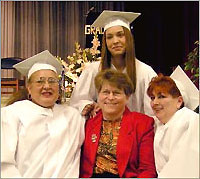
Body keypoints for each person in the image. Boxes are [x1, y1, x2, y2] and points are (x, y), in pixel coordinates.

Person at [1, 50, 85, 178]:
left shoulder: (72, 116)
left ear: (58, 87)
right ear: (29, 88)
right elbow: (4, 163)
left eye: (52, 81)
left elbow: (76, 158)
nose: (47, 86)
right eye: (40, 81)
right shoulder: (12, 114)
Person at [70, 10, 157, 117]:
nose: (115, 41)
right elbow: (77, 101)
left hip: (135, 131)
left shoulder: (145, 72)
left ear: (129, 38)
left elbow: (153, 112)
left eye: (120, 35)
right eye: (109, 37)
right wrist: (90, 106)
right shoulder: (93, 70)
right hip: (103, 130)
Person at [80, 69, 157, 178]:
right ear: (98, 95)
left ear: (127, 97)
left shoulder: (142, 124)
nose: (110, 97)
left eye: (116, 93)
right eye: (106, 92)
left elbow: (147, 170)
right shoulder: (88, 124)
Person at [147, 66, 199, 178]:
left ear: (179, 101)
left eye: (161, 97)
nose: (154, 102)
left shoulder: (188, 121)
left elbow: (183, 168)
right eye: (152, 97)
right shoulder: (158, 123)